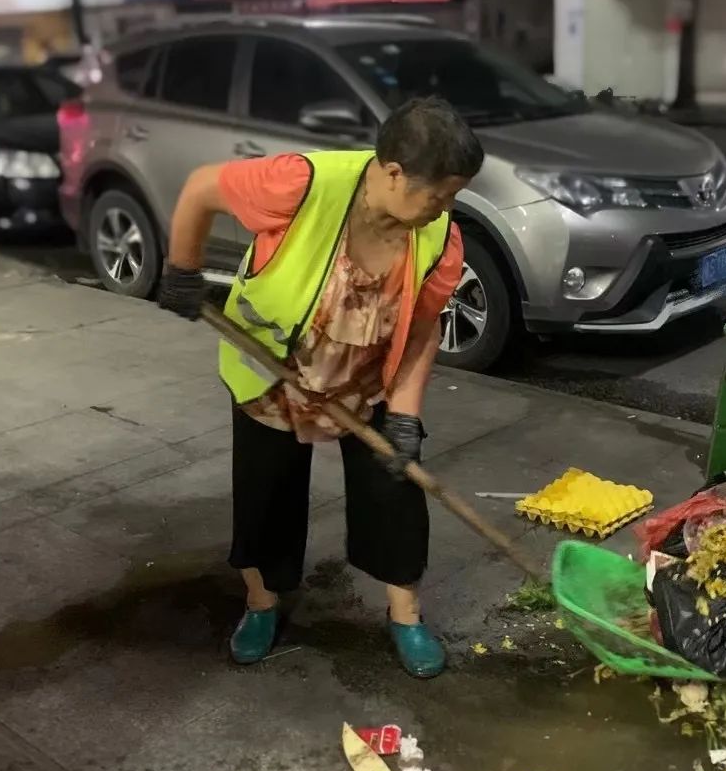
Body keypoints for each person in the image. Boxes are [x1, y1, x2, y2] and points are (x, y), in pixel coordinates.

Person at [157, 97, 484, 678]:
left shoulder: (438, 238)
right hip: (272, 373)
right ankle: (262, 605)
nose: (446, 208)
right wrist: (183, 269)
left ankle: (405, 617)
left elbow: (421, 330)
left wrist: (405, 416)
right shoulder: (302, 184)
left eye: (453, 195)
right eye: (438, 194)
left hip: (367, 383)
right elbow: (202, 187)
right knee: (266, 495)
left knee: (396, 492)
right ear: (392, 173)